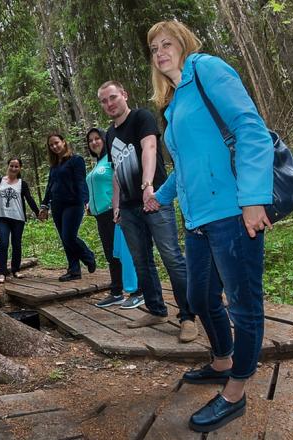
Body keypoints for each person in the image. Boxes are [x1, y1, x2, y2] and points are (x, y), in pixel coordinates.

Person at [145, 19, 273, 432]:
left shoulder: (207, 69)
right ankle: (222, 359)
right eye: (153, 48)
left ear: (183, 44)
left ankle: (235, 392)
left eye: (167, 43)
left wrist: (253, 197)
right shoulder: (174, 103)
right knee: (199, 298)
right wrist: (159, 197)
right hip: (197, 220)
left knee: (244, 305)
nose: (160, 51)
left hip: (233, 213)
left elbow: (249, 128)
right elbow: (185, 166)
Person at [97, 80, 197, 342]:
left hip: (155, 200)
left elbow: (150, 148)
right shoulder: (109, 134)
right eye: (104, 101)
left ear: (124, 95)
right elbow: (117, 171)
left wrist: (148, 185)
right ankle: (156, 309)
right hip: (128, 208)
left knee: (171, 257)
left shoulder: (141, 117)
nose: (109, 104)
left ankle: (188, 316)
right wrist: (116, 205)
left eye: (113, 97)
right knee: (141, 260)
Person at [85, 128, 139, 308]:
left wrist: (120, 207)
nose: (94, 142)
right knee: (111, 254)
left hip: (113, 212)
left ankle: (137, 291)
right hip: (100, 215)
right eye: (90, 140)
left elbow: (122, 181)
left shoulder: (112, 159)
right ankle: (116, 291)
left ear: (104, 139)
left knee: (124, 252)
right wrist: (90, 205)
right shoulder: (99, 162)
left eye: (97, 138)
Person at [38, 133, 96, 282]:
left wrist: (85, 200)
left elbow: (80, 181)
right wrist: (44, 205)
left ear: (63, 142)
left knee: (68, 237)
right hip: (57, 205)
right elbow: (50, 186)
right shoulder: (54, 166)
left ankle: (88, 256)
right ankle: (74, 270)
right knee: (65, 239)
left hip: (73, 203)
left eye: (56, 143)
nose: (54, 146)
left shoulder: (76, 160)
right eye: (51, 145)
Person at [0, 158, 41, 283]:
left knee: (16, 244)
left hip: (18, 218)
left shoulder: (22, 184)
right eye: (11, 166)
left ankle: (15, 270)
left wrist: (38, 212)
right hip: (2, 218)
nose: (13, 168)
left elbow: (29, 199)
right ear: (8, 166)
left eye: (16, 166)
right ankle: (2, 272)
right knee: (3, 244)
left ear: (20, 168)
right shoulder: (0, 181)